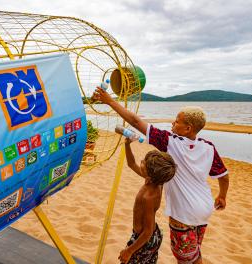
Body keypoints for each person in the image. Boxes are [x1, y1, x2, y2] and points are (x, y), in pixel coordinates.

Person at [93, 88, 230, 264]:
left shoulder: (171, 142)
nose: (172, 123)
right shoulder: (209, 147)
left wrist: (109, 101)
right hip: (204, 209)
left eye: (177, 121)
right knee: (193, 254)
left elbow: (135, 121)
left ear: (188, 128)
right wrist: (222, 196)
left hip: (184, 214)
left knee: (187, 260)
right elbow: (224, 176)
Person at [119, 138, 176, 264]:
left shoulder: (148, 197)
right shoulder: (155, 181)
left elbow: (148, 231)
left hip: (144, 239)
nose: (141, 162)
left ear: (150, 175)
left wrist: (129, 251)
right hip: (151, 235)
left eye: (144, 163)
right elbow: (131, 164)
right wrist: (127, 145)